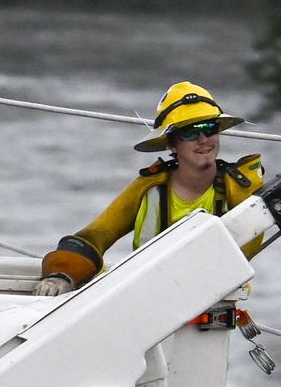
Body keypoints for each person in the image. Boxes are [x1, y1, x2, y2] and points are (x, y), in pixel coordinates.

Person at [39, 81, 269, 292]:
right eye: (189, 132)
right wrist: (61, 275)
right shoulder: (148, 188)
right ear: (171, 144)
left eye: (209, 128)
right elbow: (95, 237)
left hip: (217, 300)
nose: (203, 139)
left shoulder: (242, 188)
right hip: (150, 296)